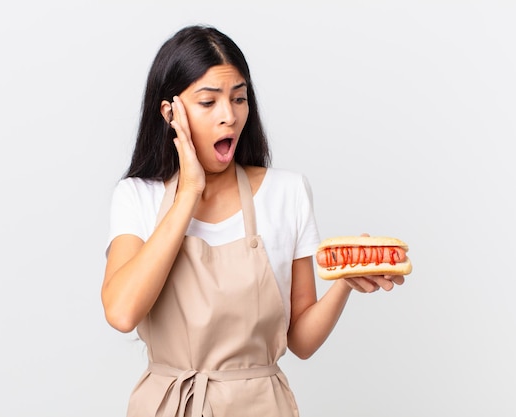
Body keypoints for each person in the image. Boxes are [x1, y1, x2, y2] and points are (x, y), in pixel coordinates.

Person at [101, 24, 405, 417]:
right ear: (170, 112)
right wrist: (189, 192)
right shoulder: (138, 196)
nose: (229, 116)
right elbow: (122, 312)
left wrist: (344, 284)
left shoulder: (288, 193)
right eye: (208, 103)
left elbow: (301, 341)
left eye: (239, 99)